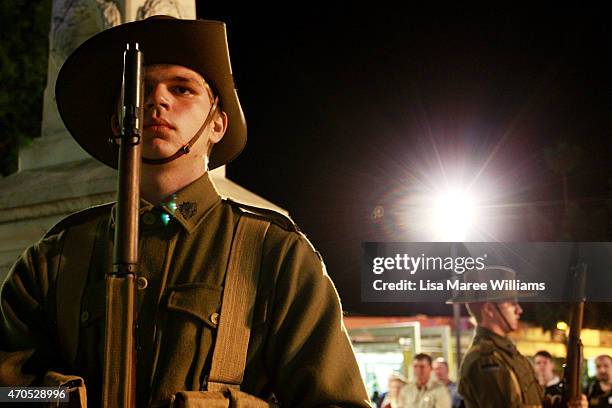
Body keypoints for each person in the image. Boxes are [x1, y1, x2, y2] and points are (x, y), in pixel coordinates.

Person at [0, 15, 370, 407]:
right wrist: (54, 398)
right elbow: (8, 393)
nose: (156, 100)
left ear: (217, 125)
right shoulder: (54, 258)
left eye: (181, 89)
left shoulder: (276, 255)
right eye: (138, 90)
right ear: (116, 121)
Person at [447, 266, 587, 408]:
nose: (519, 310)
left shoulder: (509, 354)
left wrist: (565, 404)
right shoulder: (484, 361)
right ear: (489, 309)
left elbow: (536, 400)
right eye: (511, 303)